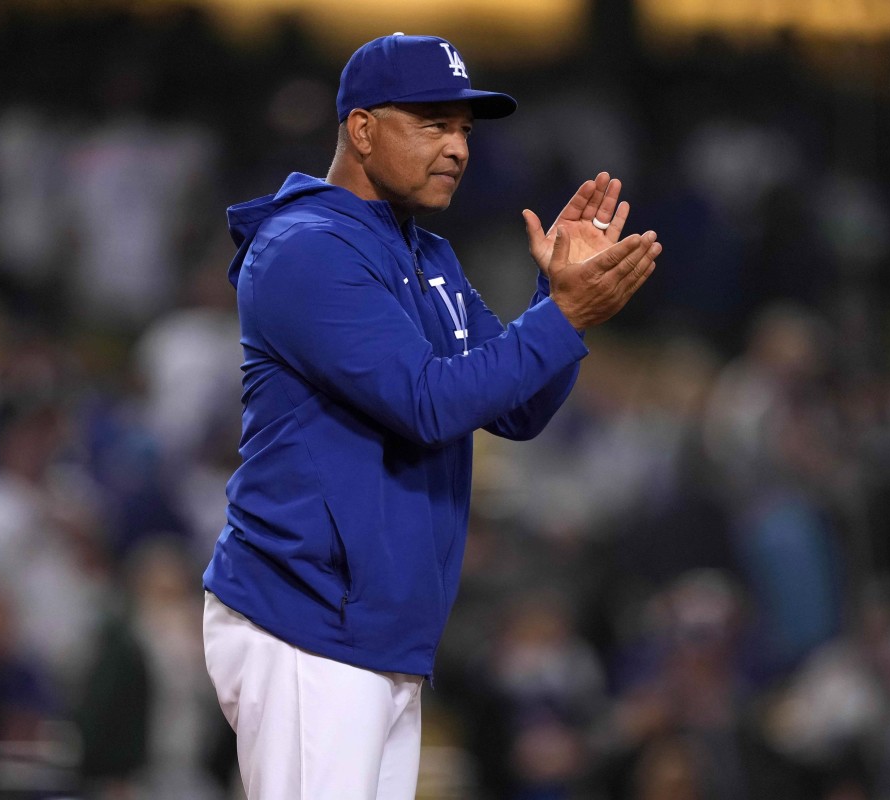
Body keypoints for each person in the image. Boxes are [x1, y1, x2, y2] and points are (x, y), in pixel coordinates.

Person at [201, 32, 661, 799]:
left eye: (465, 130)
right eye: (433, 124)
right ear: (362, 128)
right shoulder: (306, 247)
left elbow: (514, 410)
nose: (457, 148)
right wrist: (565, 321)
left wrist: (558, 302)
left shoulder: (426, 254)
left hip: (377, 629)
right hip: (307, 620)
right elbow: (427, 404)